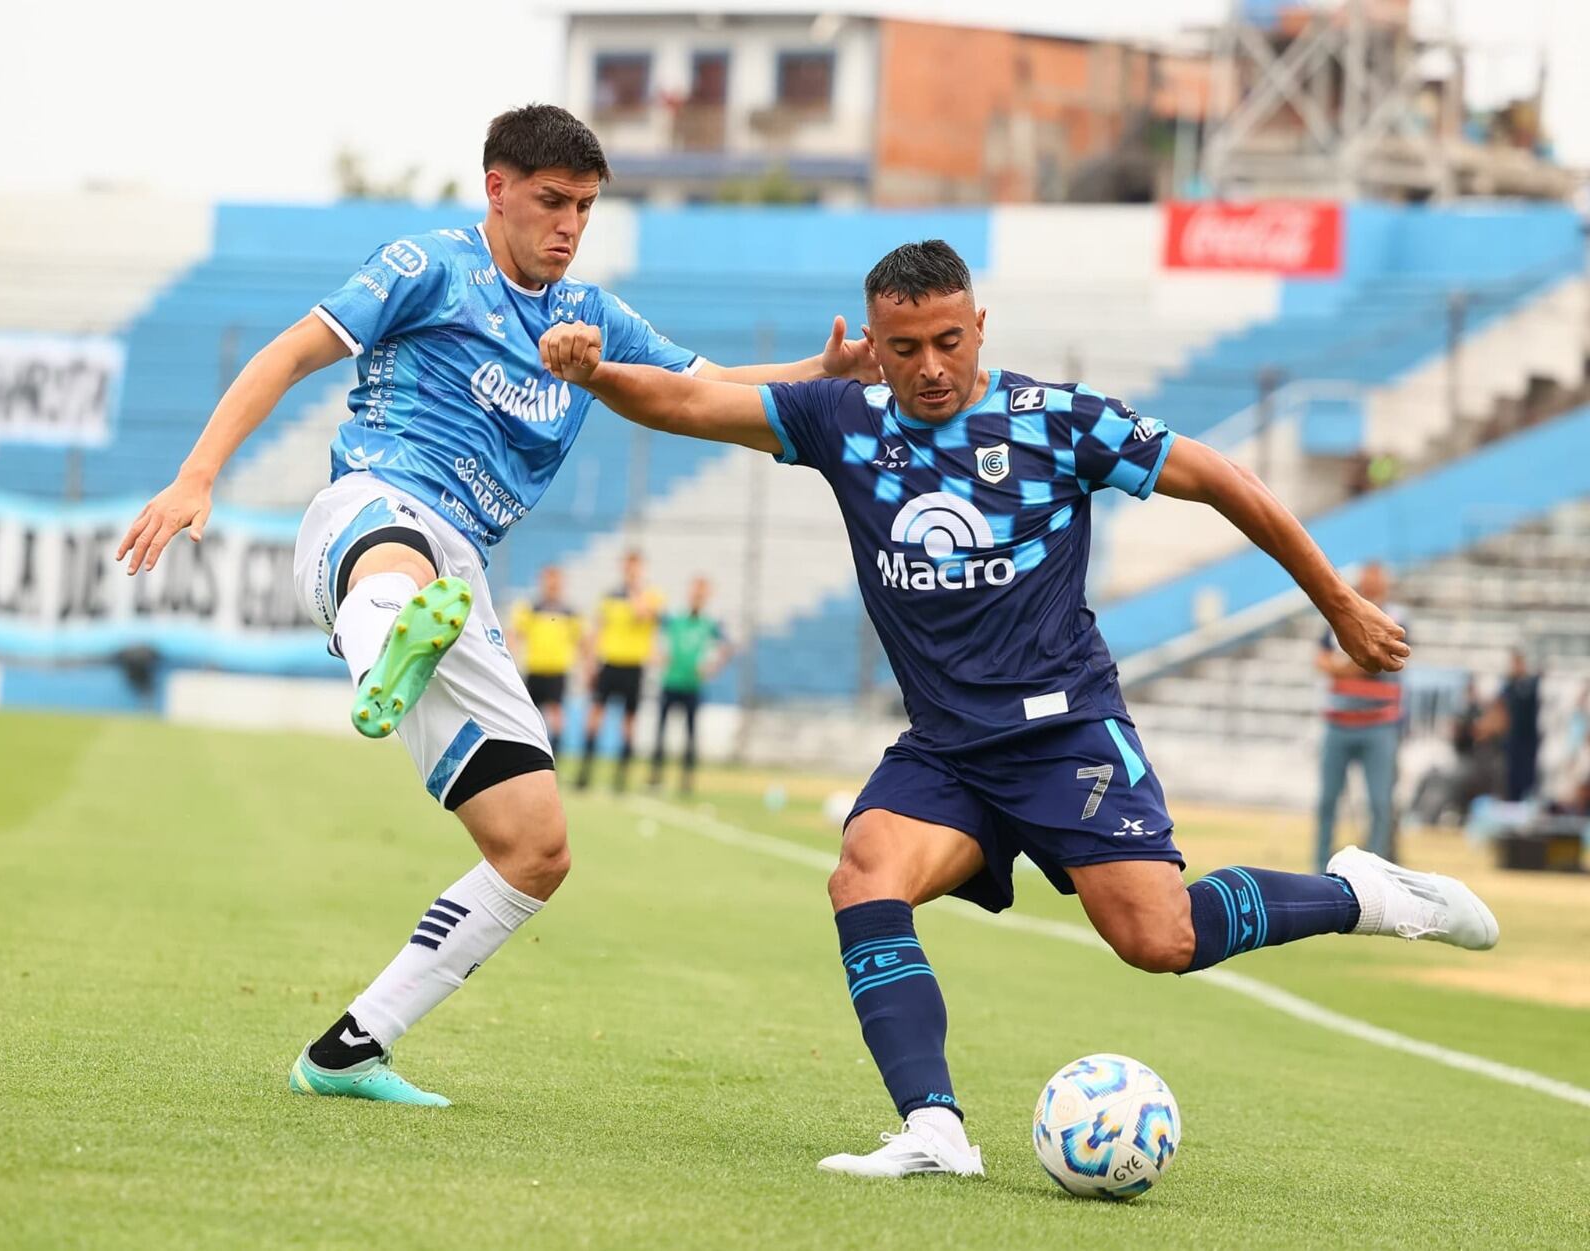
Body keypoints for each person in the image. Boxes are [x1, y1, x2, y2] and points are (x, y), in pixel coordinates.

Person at [538, 238, 1499, 1178]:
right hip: (947, 751)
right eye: (905, 348)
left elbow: (1218, 478)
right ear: (873, 342)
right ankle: (933, 1126)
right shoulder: (842, 421)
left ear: (980, 324)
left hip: (1064, 735)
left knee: (1160, 940)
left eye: (950, 341)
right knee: (864, 872)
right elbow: (686, 398)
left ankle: (1364, 895)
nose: (931, 368)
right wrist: (597, 371)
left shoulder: (1058, 421)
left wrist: (1336, 602)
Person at [113, 105, 880, 1107]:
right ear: (497, 189)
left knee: (535, 849)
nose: (567, 226)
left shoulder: (592, 320)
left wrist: (820, 376)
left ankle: (349, 1049)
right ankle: (385, 637)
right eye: (551, 202)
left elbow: (710, 388)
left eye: (585, 208)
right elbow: (290, 354)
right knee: (402, 563)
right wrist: (197, 475)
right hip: (369, 511)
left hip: (460, 578)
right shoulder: (424, 265)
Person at [1313, 562, 1407, 871]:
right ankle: (1320, 868)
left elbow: (1376, 660)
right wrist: (1352, 660)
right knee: (1327, 801)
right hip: (1339, 722)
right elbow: (1321, 660)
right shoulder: (1337, 618)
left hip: (1379, 724)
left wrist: (1343, 663)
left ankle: (1377, 873)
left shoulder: (1396, 617)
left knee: (1379, 803)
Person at [575, 550, 663, 792]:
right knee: (595, 718)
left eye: (635, 567)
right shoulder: (610, 597)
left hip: (633, 666)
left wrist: (636, 589)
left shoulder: (651, 596)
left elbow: (642, 615)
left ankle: (620, 779)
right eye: (628, 567)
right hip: (610, 663)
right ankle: (584, 774)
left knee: (628, 722)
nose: (631, 571)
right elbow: (598, 629)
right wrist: (590, 663)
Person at [649, 576, 732, 793]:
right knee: (661, 732)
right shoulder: (675, 617)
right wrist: (657, 655)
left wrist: (713, 667)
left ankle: (686, 781)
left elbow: (727, 646)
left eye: (702, 593)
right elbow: (655, 632)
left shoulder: (710, 622)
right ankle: (655, 777)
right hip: (671, 681)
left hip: (693, 685)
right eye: (696, 591)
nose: (697, 596)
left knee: (690, 734)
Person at [507, 565, 580, 749]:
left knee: (556, 714)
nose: (552, 585)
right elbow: (515, 634)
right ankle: (530, 751)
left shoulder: (569, 611)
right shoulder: (531, 608)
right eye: (549, 580)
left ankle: (555, 754)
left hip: (558, 669)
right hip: (535, 668)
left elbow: (581, 640)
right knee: (530, 716)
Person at [1499, 649, 1542, 802]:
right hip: (1513, 738)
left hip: (1528, 737)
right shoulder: (1508, 686)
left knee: (1527, 774)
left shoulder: (1531, 684)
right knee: (1512, 775)